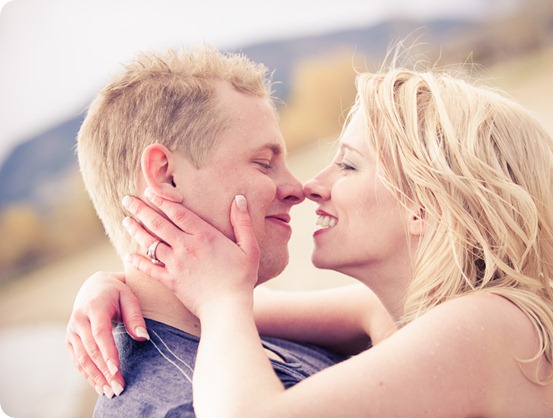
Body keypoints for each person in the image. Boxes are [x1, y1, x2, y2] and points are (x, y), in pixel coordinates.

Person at [70, 61, 553, 416]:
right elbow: (267, 306)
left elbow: (232, 314)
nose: (306, 188)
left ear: (424, 205)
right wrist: (122, 285)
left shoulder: (483, 324)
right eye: (265, 162)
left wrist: (216, 300)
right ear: (164, 177)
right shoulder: (398, 315)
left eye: (349, 167)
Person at [68, 45, 373, 416]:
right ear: (167, 176)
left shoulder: (236, 320)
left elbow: (378, 313)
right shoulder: (180, 405)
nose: (298, 188)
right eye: (263, 163)